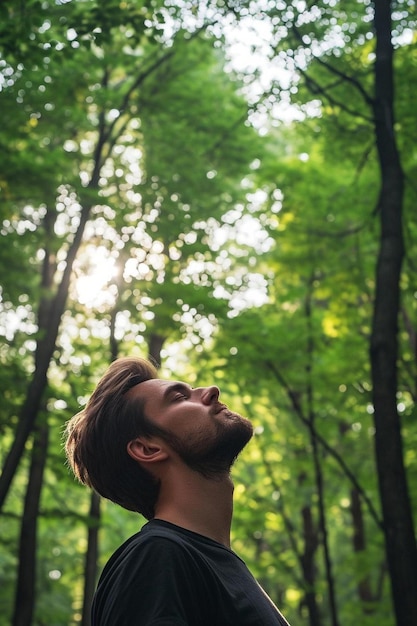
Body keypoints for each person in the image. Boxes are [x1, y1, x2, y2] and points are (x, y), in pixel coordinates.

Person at [65, 356, 291, 625]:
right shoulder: (157, 557)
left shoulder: (203, 562)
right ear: (148, 449)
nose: (211, 391)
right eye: (179, 397)